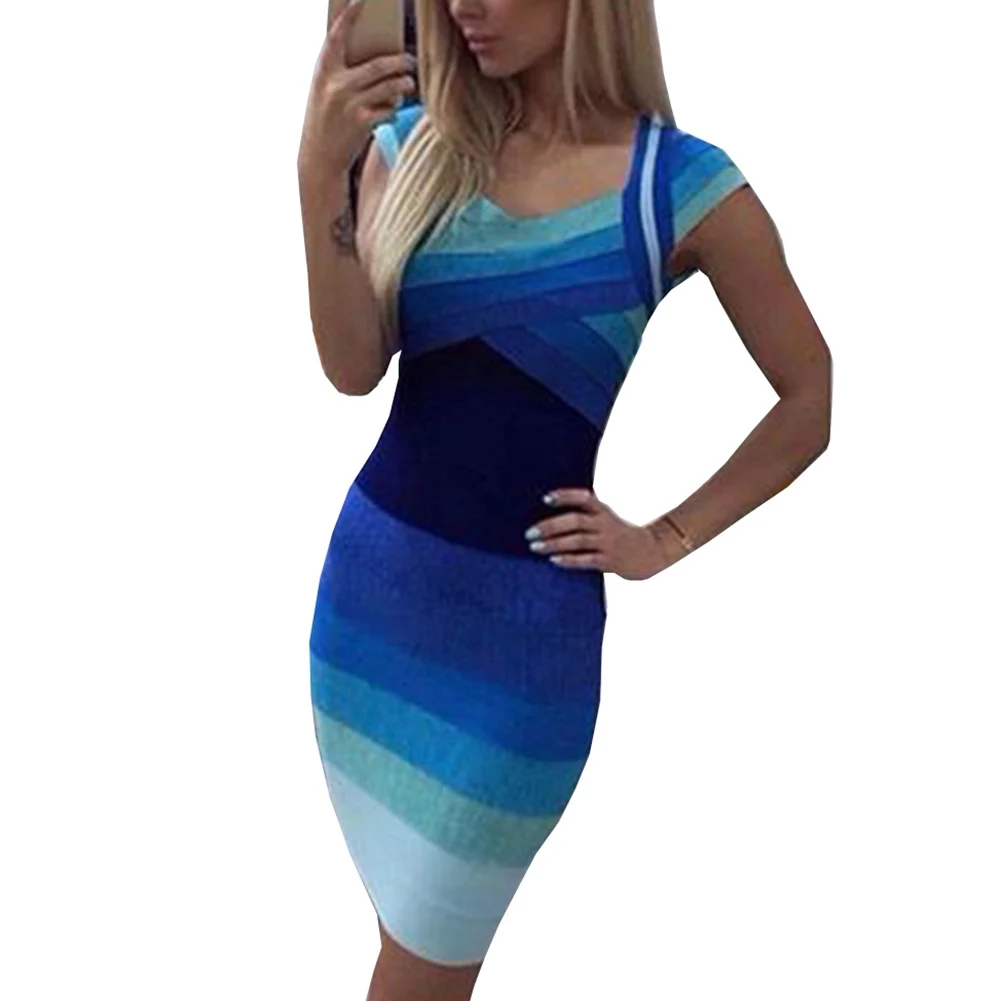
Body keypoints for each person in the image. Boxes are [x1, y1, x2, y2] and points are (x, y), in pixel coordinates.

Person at [297, 1, 832, 999]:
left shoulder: (676, 186)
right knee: (405, 934)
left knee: (422, 964)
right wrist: (314, 173)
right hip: (368, 620)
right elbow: (352, 366)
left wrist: (663, 537)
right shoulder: (416, 148)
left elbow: (809, 398)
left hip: (519, 660)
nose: (465, 6)